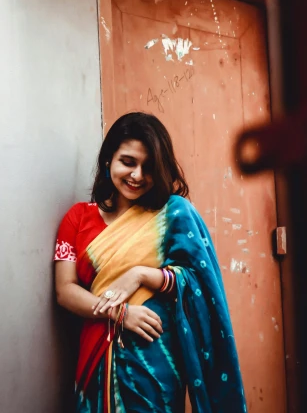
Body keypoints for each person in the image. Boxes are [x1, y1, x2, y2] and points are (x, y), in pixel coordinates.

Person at [54, 112, 247, 413]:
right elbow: (65, 290)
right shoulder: (77, 218)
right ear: (109, 161)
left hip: (155, 359)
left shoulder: (173, 214)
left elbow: (197, 280)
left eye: (149, 167)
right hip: (97, 354)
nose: (137, 175)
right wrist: (119, 313)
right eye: (128, 162)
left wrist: (141, 275)